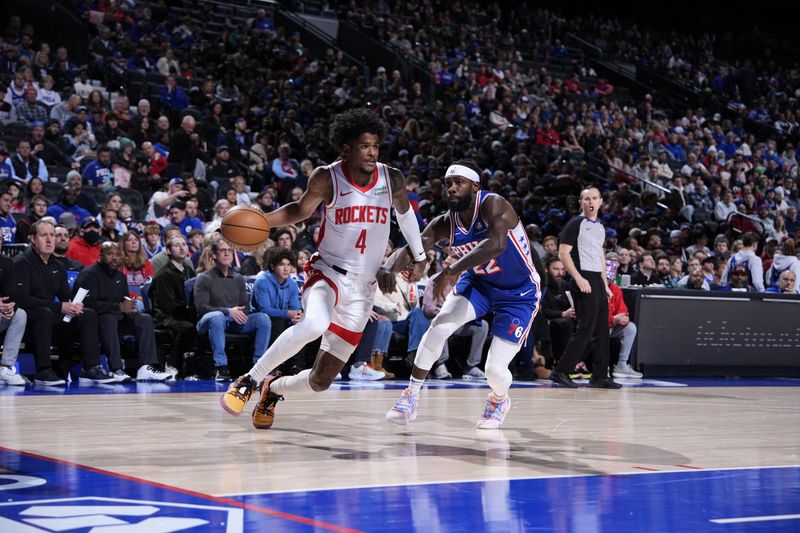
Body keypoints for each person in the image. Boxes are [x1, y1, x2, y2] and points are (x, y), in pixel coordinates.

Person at [220, 109, 427, 428]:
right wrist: (264, 220)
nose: (372, 152)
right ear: (346, 148)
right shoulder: (327, 177)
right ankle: (248, 379)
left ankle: (271, 390)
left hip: (363, 290)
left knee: (321, 380)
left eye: (375, 146)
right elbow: (299, 210)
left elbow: (406, 215)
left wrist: (419, 253)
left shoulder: (392, 178)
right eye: (364, 146)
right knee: (315, 324)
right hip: (328, 274)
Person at [384, 159, 542, 429]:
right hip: (480, 283)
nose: (452, 188)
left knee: (494, 369)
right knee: (439, 326)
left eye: (459, 183)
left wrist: (451, 271)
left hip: (519, 292)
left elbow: (496, 244)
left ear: (475, 186)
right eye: (448, 184)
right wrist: (388, 268)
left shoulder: (494, 204)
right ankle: (410, 396)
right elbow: (415, 245)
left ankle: (499, 399)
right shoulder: (446, 222)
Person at [13, 220, 112, 386]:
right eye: (44, 235)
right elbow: (23, 300)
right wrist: (60, 307)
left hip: (50, 319)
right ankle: (43, 371)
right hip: (26, 322)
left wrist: (75, 305)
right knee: (43, 313)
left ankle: (90, 367)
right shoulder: (21, 263)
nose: (50, 239)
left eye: (52, 235)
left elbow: (66, 297)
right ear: (33, 239)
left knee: (87, 314)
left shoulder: (57, 266)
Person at [550, 187, 621, 389]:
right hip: (582, 278)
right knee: (586, 328)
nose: (591, 201)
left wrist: (605, 284)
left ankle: (599, 375)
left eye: (594, 198)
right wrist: (578, 278)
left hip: (597, 281)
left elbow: (599, 256)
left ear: (600, 201)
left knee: (602, 329)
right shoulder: (575, 224)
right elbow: (563, 254)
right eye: (586, 198)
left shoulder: (600, 227)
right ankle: (561, 370)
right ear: (581, 202)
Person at [74, 242, 173, 383]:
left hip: (118, 318)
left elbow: (124, 299)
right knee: (108, 319)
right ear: (100, 255)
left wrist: (131, 310)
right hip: (97, 321)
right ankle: (116, 368)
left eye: (118, 254)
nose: (114, 258)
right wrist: (119, 307)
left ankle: (146, 367)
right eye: (110, 254)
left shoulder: (120, 276)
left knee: (144, 318)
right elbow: (88, 304)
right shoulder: (88, 274)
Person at [194, 239, 271, 381]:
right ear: (214, 256)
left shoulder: (238, 278)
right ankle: (221, 368)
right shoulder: (204, 278)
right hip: (208, 321)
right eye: (223, 250)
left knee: (263, 319)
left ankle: (259, 367)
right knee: (217, 316)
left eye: (229, 251)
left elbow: (245, 307)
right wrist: (228, 311)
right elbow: (201, 307)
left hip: (233, 320)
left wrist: (237, 314)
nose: (227, 253)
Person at [421, 254, 488, 380]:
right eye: (445, 263)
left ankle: (471, 367)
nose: (445, 267)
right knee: (440, 322)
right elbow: (428, 308)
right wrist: (446, 314)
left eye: (449, 265)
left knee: (482, 326)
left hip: (460, 322)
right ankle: (441, 365)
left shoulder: (466, 282)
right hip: (442, 318)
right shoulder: (435, 280)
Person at [150, 235, 197, 378]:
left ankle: (196, 366)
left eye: (184, 244)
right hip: (166, 316)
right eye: (177, 245)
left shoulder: (189, 270)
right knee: (188, 327)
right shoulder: (164, 274)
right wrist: (190, 310)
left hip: (185, 313)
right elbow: (168, 305)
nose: (182, 247)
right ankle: (171, 364)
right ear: (168, 251)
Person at [250, 248, 303, 368]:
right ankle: (272, 367)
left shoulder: (292, 284)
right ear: (273, 266)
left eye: (288, 265)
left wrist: (297, 316)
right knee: (276, 322)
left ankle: (295, 367)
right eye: (281, 264)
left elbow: (295, 308)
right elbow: (265, 309)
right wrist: (288, 314)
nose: (286, 268)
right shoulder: (262, 282)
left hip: (281, 318)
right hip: (261, 320)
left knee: (301, 325)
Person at [604, 261, 643, 379]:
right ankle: (602, 368)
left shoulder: (616, 289)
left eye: (610, 278)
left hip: (613, 326)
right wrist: (612, 319)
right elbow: (595, 315)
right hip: (599, 326)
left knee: (631, 327)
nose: (608, 280)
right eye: (606, 277)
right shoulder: (595, 288)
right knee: (602, 328)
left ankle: (621, 364)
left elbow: (623, 309)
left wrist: (623, 317)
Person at [0, 238, 27, 385]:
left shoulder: (6, 263)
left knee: (20, 314)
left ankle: (5, 367)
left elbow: (13, 293)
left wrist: (10, 309)